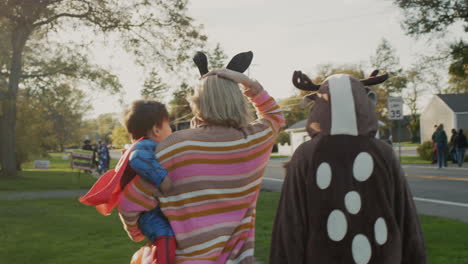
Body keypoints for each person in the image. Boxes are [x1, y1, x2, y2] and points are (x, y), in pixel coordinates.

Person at [134, 51, 284, 263]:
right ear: (237, 100)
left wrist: (135, 230)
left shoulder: (173, 146)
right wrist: (246, 82)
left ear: (197, 102)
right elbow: (274, 116)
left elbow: (135, 200)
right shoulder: (254, 140)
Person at [270, 71, 426, 263]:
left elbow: (290, 225)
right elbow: (406, 218)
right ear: (363, 103)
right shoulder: (384, 153)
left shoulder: (306, 154)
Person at [79, 100, 175, 264]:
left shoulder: (146, 145)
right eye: (169, 125)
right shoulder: (145, 145)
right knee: (164, 235)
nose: (171, 129)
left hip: (151, 209)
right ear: (156, 129)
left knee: (164, 238)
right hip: (148, 214)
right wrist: (162, 179)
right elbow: (137, 158)